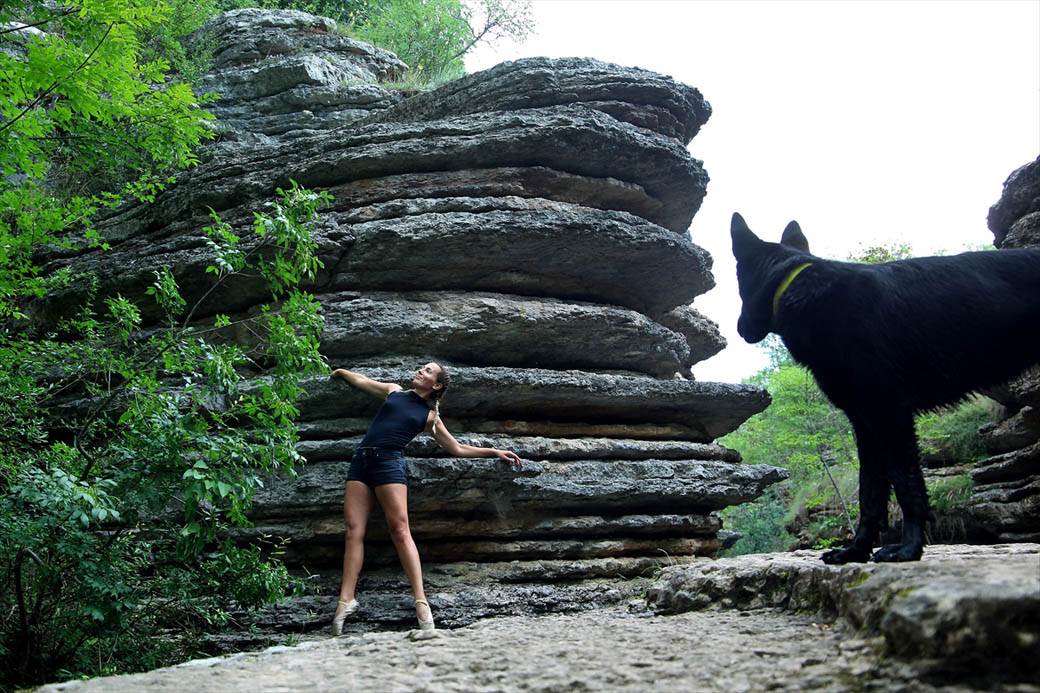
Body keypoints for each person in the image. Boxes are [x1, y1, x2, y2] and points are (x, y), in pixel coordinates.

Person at [329, 362, 522, 635]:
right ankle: (346, 601)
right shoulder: (394, 392)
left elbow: (457, 448)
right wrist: (340, 372)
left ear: (437, 385)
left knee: (400, 529)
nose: (421, 370)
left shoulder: (430, 416)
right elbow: (362, 381)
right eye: (421, 368)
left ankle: (421, 601)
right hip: (360, 462)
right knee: (353, 531)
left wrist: (494, 451)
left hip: (389, 464)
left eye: (428, 371)